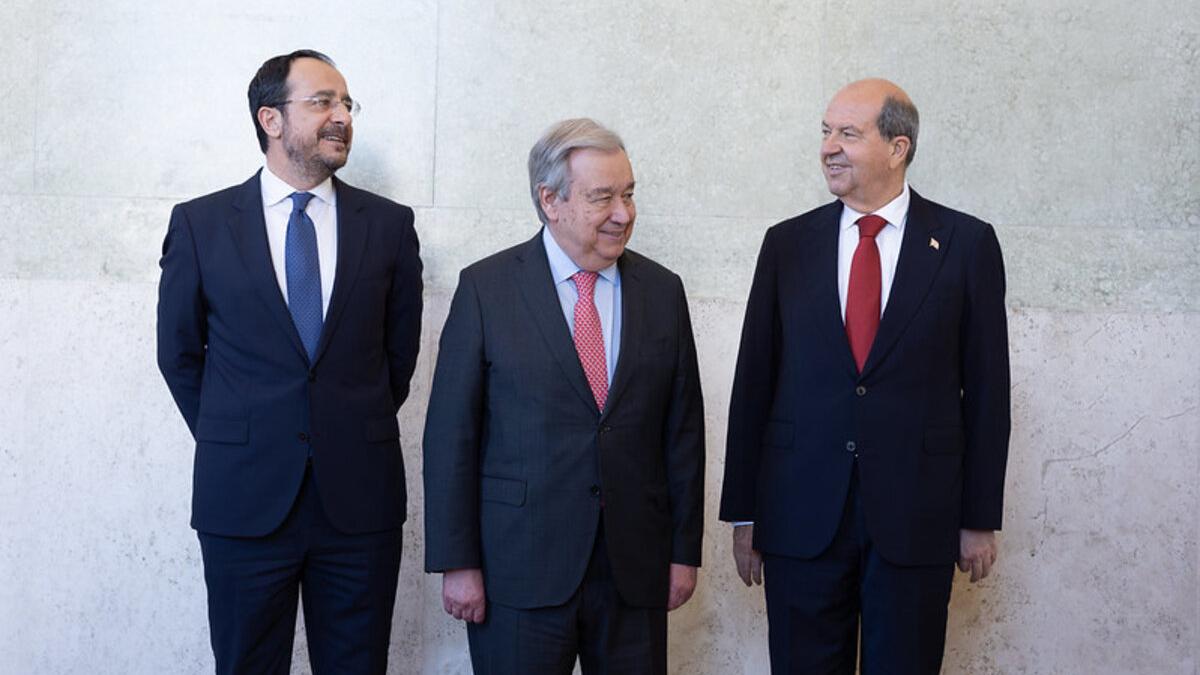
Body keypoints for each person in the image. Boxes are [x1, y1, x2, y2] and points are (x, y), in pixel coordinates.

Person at [719, 78, 1010, 673]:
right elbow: (753, 384)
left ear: (897, 147)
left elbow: (987, 393)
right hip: (801, 516)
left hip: (916, 517)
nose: (829, 146)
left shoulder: (966, 244)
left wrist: (980, 517)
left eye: (848, 133)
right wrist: (744, 514)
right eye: (825, 131)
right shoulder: (787, 244)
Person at [156, 49, 422, 674]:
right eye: (323, 102)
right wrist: (241, 432)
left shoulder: (387, 226)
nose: (342, 117)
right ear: (270, 120)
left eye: (346, 104)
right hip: (243, 501)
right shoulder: (201, 225)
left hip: (359, 503)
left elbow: (397, 358)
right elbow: (179, 354)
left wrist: (339, 427)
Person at [422, 118, 705, 674]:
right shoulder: (487, 289)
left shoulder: (663, 291)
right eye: (603, 197)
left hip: (634, 571)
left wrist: (682, 551)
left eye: (628, 194)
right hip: (519, 572)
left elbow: (683, 432)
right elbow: (452, 434)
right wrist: (458, 562)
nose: (623, 213)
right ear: (550, 200)